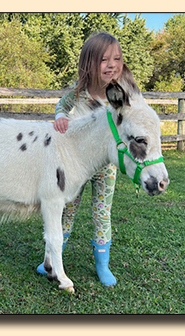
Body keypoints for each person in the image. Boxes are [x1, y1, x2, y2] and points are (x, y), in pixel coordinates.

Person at [36, 32, 140, 287]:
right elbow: (62, 104)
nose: (112, 65)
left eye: (116, 59)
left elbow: (133, 121)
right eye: (104, 60)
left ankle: (102, 265)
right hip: (75, 163)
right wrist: (61, 116)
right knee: (66, 209)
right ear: (89, 63)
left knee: (102, 212)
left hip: (106, 166)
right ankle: (52, 257)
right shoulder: (80, 91)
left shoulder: (123, 94)